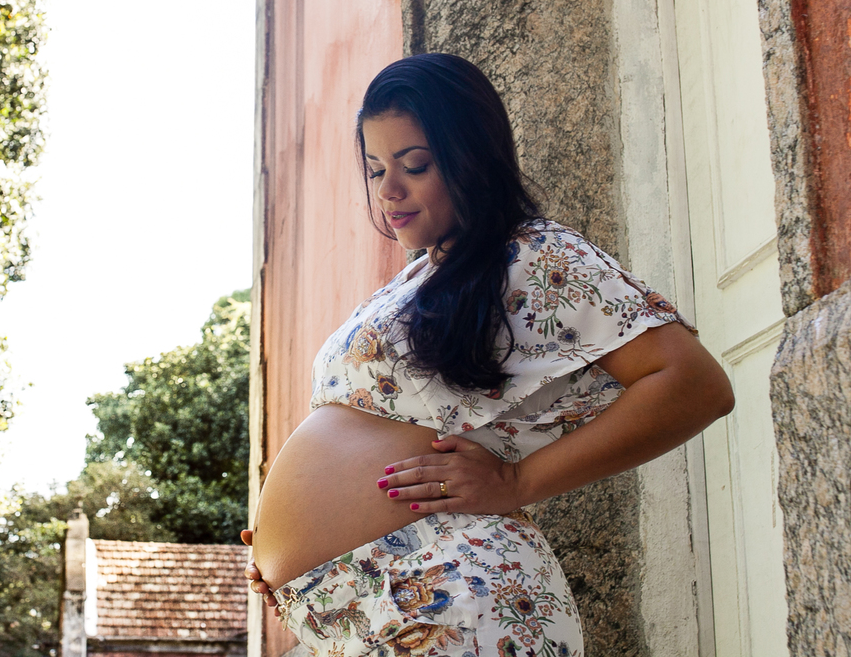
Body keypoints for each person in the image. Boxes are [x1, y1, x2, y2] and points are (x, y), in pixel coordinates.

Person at [239, 53, 734, 657]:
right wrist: (293, 555)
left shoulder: (536, 255)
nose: (389, 190)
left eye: (413, 165)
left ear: (471, 156)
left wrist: (515, 480)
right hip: (371, 604)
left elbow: (695, 384)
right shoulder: (417, 280)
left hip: (458, 597)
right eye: (374, 169)